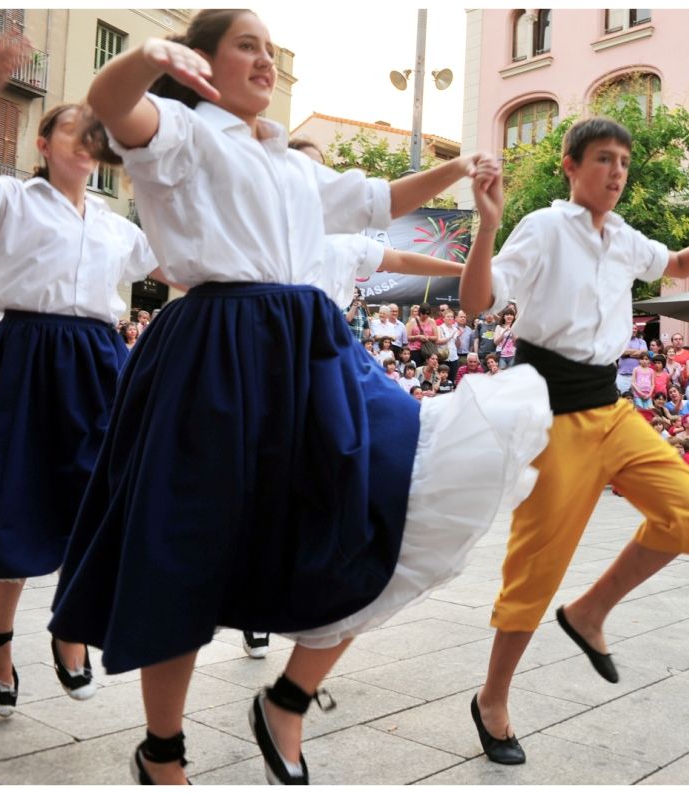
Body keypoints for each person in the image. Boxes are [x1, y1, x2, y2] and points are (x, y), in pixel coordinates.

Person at [46, 10, 550, 785]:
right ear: (201, 62)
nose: (265, 62)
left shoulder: (286, 159)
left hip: (307, 346)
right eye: (246, 46)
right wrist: (145, 58)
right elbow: (115, 106)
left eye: (269, 51)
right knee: (182, 540)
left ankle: (288, 695)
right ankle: (163, 751)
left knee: (380, 490)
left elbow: (379, 200)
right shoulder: (183, 133)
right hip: (216, 344)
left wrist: (459, 172)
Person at [458, 114, 689, 764]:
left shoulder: (623, 237)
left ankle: (589, 614)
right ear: (570, 166)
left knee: (686, 509)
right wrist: (488, 224)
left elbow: (679, 263)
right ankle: (492, 699)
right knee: (534, 569)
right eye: (603, 158)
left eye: (623, 162)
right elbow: (476, 302)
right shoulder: (546, 228)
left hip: (610, 409)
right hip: (552, 415)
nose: (615, 171)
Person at [0, 34, 176, 719]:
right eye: (71, 129)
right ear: (42, 144)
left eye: (96, 133)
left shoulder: (119, 227)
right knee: (17, 499)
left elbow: (181, 263)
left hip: (99, 357)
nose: (86, 140)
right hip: (27, 353)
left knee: (99, 498)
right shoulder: (12, 200)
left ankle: (71, 628)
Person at [616, 323, 647, 395]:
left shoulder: (641, 341)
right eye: (632, 328)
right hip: (623, 376)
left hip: (638, 376)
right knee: (622, 397)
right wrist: (637, 351)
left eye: (635, 329)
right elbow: (622, 352)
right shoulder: (622, 341)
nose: (634, 330)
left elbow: (643, 354)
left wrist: (628, 353)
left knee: (637, 398)